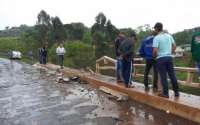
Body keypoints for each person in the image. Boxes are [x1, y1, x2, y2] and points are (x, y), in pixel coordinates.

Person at [153, 22, 179, 98]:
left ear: (157, 28)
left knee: (163, 76)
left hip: (160, 59)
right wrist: (170, 52)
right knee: (172, 75)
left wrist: (155, 56)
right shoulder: (169, 36)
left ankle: (165, 93)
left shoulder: (156, 37)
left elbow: (154, 50)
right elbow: (174, 45)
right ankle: (176, 92)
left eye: (155, 28)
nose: (154, 30)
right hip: (169, 57)